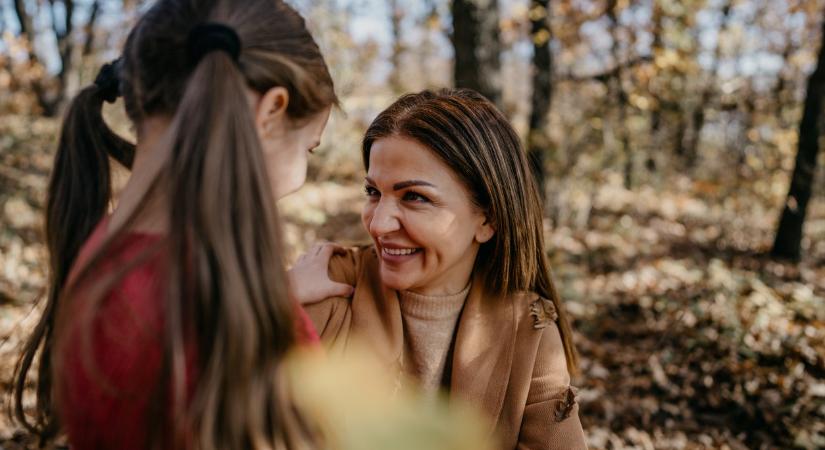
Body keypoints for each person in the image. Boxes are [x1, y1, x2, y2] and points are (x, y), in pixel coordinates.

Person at [12, 1, 341, 448]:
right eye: (310, 148)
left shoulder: (101, 255)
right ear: (270, 112)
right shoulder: (248, 337)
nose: (303, 170)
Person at [301, 89, 588, 449]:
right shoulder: (326, 285)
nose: (378, 224)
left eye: (414, 197)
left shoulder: (528, 329)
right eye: (373, 192)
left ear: (488, 220)